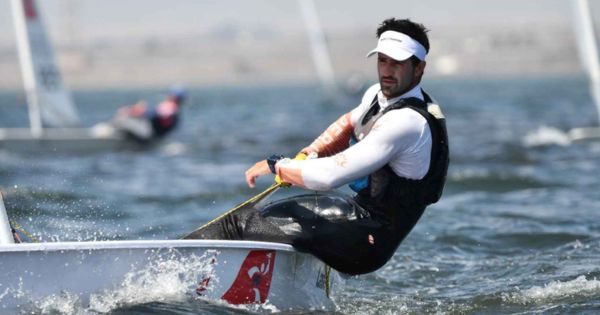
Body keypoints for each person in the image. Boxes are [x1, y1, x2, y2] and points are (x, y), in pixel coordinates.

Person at [186, 18, 449, 275]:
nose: (387, 71)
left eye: (398, 63)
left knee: (239, 223)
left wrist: (277, 165)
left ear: (419, 68)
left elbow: (329, 176)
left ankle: (177, 266)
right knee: (263, 215)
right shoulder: (378, 95)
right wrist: (306, 155)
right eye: (382, 60)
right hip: (356, 217)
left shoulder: (406, 122)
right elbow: (348, 122)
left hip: (367, 244)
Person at [111, 85, 187, 143]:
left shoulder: (170, 108)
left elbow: (153, 114)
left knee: (122, 119)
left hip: (147, 134)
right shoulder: (176, 112)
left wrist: (132, 110)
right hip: (154, 136)